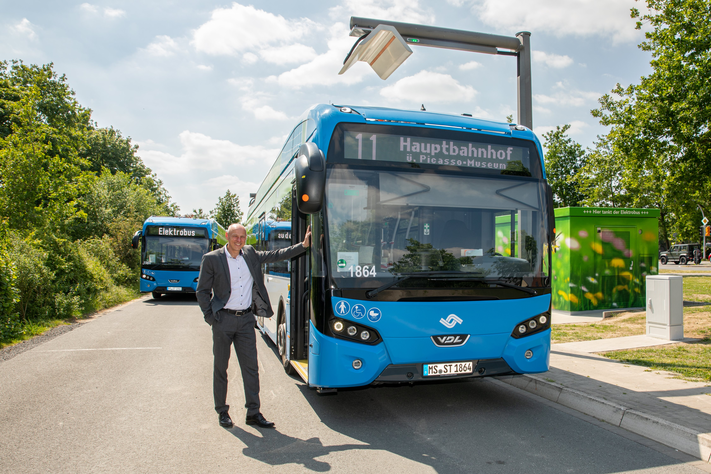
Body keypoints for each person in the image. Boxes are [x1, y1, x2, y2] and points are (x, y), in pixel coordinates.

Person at [196, 223, 311, 429]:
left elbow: (277, 254)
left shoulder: (249, 253)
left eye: (242, 237)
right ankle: (222, 411)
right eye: (235, 236)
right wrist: (211, 318)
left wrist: (302, 245)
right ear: (226, 236)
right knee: (221, 368)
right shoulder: (212, 259)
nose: (239, 240)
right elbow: (202, 291)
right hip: (223, 320)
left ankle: (253, 412)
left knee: (251, 368)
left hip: (246, 321)